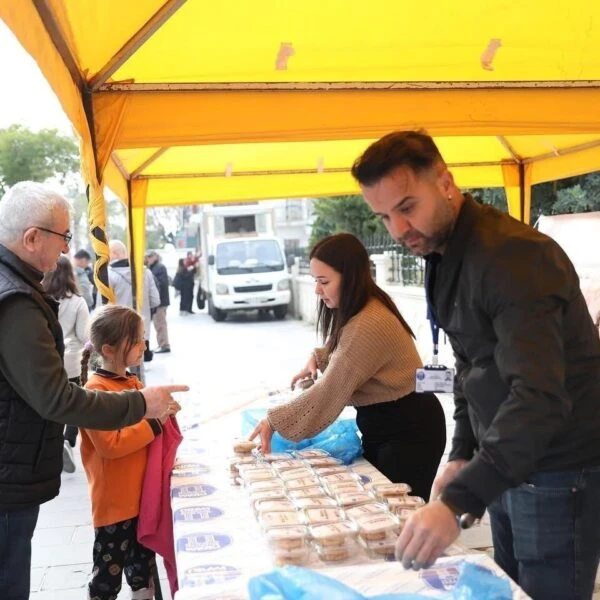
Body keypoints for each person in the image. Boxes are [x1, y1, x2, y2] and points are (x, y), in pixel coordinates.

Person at [351, 131, 600, 599]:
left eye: (407, 207)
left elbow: (540, 397)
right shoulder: (442, 254)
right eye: (384, 217)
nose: (399, 230)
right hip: (505, 460)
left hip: (558, 469)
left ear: (445, 183)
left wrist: (457, 503)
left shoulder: (512, 258)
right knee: (510, 589)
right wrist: (465, 451)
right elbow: (470, 365)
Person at [0, 181, 186, 600]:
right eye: (64, 237)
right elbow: (57, 399)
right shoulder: (15, 300)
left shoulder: (18, 288)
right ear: (32, 237)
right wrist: (144, 407)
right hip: (10, 479)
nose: (67, 250)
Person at [249, 233, 446, 499]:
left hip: (409, 434)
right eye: (315, 282)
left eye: (324, 281)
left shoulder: (369, 322)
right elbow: (341, 349)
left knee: (397, 518)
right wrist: (317, 358)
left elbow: (329, 392)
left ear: (350, 276)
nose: (318, 290)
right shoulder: (363, 309)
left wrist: (274, 420)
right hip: (387, 427)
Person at [79, 305, 168, 600]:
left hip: (142, 501)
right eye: (137, 339)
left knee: (143, 573)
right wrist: (155, 425)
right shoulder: (95, 391)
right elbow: (111, 445)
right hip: (114, 507)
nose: (145, 344)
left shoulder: (134, 383)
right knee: (106, 580)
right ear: (109, 348)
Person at [43, 255, 90, 473]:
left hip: (46, 359)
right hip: (71, 360)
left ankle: (52, 442)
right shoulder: (77, 302)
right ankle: (68, 440)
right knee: (74, 402)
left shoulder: (38, 297)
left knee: (51, 401)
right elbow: (84, 335)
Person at [108, 240, 160, 361]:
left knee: (120, 365)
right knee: (138, 365)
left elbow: (102, 307)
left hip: (117, 330)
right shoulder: (145, 272)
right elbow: (155, 301)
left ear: (113, 253)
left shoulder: (108, 275)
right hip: (141, 327)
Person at [146, 250, 171, 353]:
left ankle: (164, 345)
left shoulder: (160, 267)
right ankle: (161, 343)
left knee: (160, 324)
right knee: (158, 324)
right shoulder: (153, 268)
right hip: (158, 301)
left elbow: (161, 284)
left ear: (155, 257)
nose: (148, 259)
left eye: (150, 256)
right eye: (148, 257)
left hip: (160, 302)